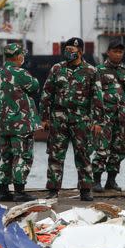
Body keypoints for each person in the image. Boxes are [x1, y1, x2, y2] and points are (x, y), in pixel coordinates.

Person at [41, 37, 103, 201]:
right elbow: (47, 93)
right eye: (66, 50)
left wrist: (97, 122)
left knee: (83, 154)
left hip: (81, 118)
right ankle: (53, 190)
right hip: (58, 118)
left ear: (81, 52)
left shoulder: (91, 71)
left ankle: (85, 189)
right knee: (55, 155)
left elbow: (97, 97)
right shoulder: (57, 69)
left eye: (72, 51)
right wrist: (44, 118)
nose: (68, 53)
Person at [0, 43, 40, 202]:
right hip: (21, 124)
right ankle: (20, 191)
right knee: (22, 155)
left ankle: (3, 191)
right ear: (17, 56)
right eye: (22, 54)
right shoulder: (21, 73)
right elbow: (35, 86)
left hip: (3, 124)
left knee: (5, 156)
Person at [93, 41, 125, 192]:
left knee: (119, 149)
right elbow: (95, 95)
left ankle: (111, 181)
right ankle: (96, 181)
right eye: (115, 51)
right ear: (108, 52)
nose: (118, 54)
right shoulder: (99, 71)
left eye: (120, 52)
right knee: (102, 148)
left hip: (122, 116)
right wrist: (96, 118)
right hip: (105, 116)